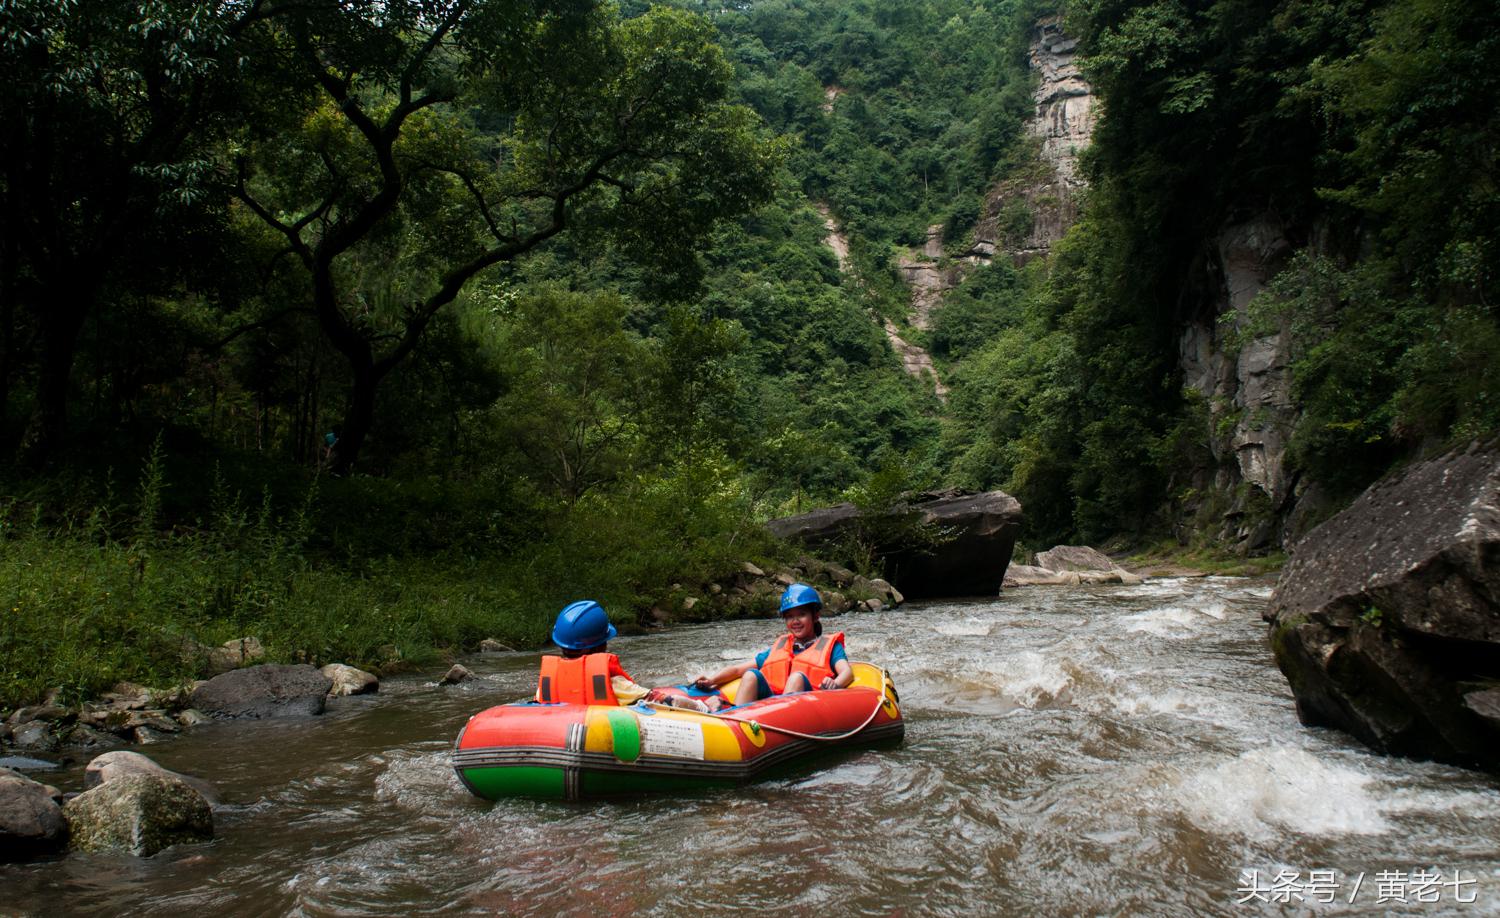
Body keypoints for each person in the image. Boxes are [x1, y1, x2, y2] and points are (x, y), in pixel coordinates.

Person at [692, 583, 853, 708]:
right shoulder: (781, 647)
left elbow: (847, 672)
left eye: (802, 615)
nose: (795, 621)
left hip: (807, 705)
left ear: (815, 616)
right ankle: (735, 720)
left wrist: (835, 684)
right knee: (751, 674)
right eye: (789, 617)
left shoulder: (830, 646)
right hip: (773, 706)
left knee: (796, 677)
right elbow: (737, 670)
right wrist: (712, 680)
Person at [536, 600, 710, 711]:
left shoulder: (547, 684)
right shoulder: (613, 684)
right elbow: (665, 701)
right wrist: (704, 706)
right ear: (602, 645)